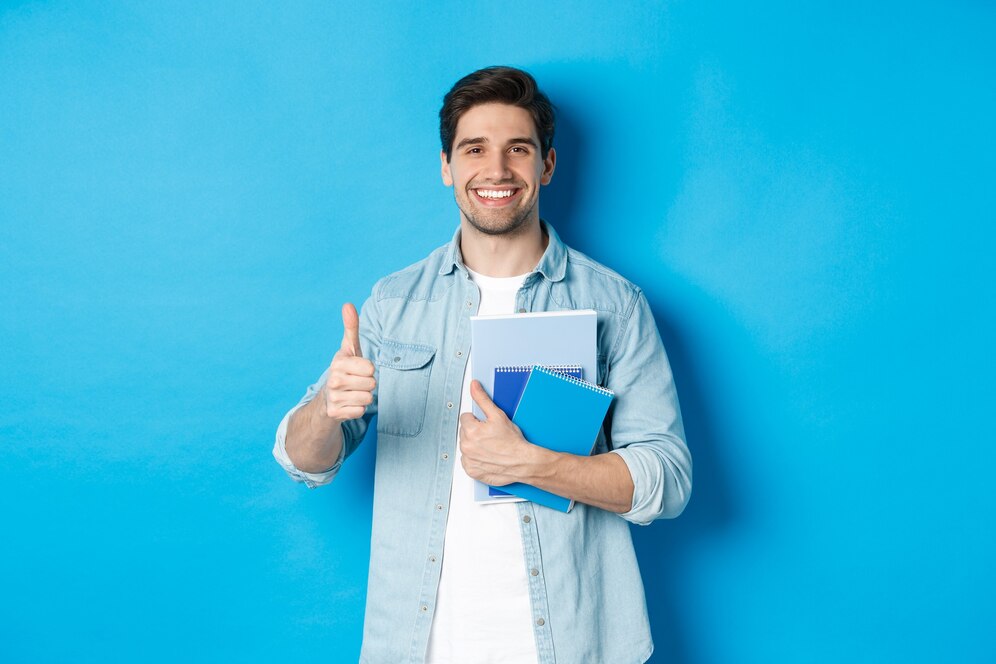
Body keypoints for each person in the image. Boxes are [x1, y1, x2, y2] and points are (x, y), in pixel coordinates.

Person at [273, 66, 692, 664]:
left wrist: (534, 464)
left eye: (517, 150)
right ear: (447, 167)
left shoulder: (615, 306)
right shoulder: (394, 304)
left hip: (576, 643)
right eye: (475, 150)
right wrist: (325, 408)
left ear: (546, 166)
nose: (496, 171)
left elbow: (668, 478)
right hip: (418, 647)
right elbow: (302, 461)